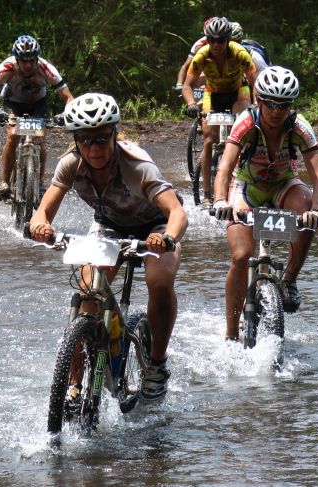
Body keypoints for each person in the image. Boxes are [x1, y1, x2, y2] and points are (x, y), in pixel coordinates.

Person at [29, 93, 188, 401]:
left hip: (154, 227)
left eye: (102, 139)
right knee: (88, 294)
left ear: (115, 134)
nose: (94, 148)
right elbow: (43, 210)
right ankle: (74, 385)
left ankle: (156, 364)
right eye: (86, 141)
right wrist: (41, 226)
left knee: (159, 280)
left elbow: (177, 213)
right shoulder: (70, 165)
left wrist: (167, 238)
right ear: (76, 141)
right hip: (110, 225)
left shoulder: (138, 165)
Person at [212, 66, 318, 341]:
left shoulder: (299, 127)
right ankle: (230, 335)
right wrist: (219, 201)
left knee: (307, 209)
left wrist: (316, 212)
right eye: (271, 104)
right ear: (259, 100)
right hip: (247, 187)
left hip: (283, 186)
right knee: (241, 256)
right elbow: (225, 168)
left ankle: (289, 280)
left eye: (284, 105)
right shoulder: (245, 123)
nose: (277, 111)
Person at [0, 35, 73, 201]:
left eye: (32, 60)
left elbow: (68, 98)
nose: (28, 65)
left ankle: (41, 183)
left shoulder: (46, 68)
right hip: (13, 103)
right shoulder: (6, 67)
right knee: (13, 135)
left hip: (38, 104)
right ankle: (5, 183)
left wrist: (66, 114)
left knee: (39, 138)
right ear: (17, 59)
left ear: (37, 59)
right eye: (24, 61)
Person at [182, 17, 257, 209]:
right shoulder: (201, 56)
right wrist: (191, 103)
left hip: (237, 93)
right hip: (213, 94)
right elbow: (187, 85)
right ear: (206, 40)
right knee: (209, 140)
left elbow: (253, 81)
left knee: (242, 124)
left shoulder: (240, 53)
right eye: (211, 40)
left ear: (228, 40)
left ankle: (242, 177)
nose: (216, 45)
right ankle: (207, 195)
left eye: (220, 40)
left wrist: (256, 104)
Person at [174, 17, 215, 94]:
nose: (216, 43)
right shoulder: (199, 45)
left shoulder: (230, 43)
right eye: (211, 38)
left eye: (220, 40)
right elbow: (185, 66)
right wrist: (179, 84)